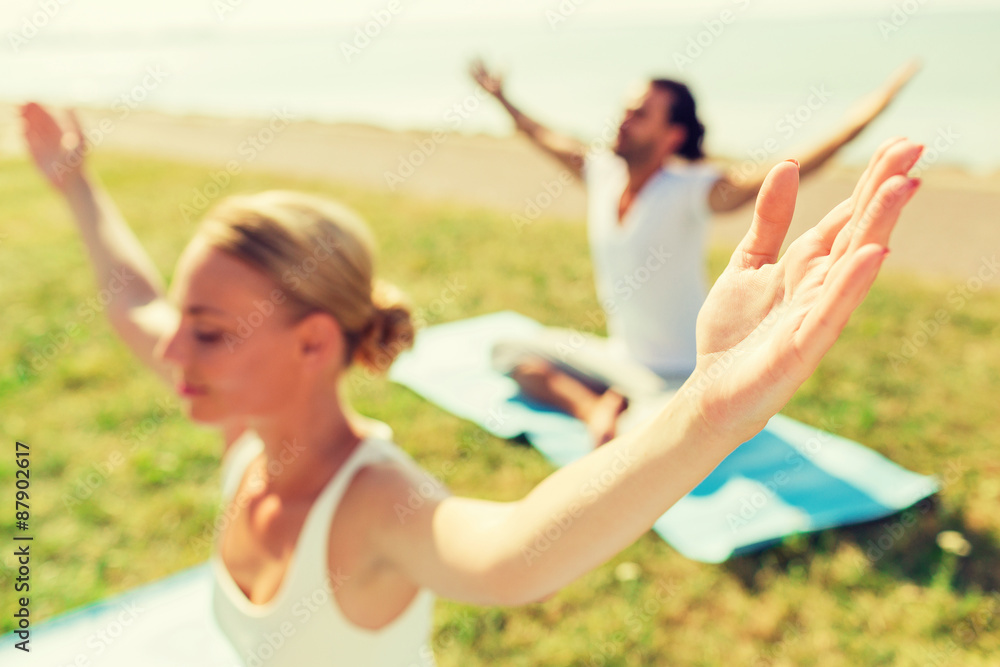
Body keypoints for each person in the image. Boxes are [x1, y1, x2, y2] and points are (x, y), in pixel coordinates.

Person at [21, 100, 923, 666]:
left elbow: (517, 551)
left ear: (311, 344)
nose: (170, 349)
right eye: (184, 322)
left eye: (209, 330)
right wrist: (74, 185)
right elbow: (131, 301)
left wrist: (709, 408)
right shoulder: (246, 428)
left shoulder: (372, 502)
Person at [470, 59, 920, 445]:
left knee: (659, 438)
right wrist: (501, 98)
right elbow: (542, 134)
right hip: (620, 358)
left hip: (682, 374)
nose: (623, 119)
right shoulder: (601, 173)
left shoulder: (691, 190)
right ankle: (596, 411)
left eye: (640, 113)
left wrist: (869, 112)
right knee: (506, 352)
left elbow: (788, 168)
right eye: (625, 109)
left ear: (672, 135)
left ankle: (626, 411)